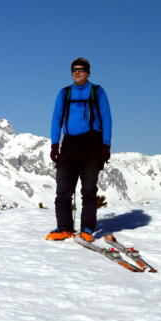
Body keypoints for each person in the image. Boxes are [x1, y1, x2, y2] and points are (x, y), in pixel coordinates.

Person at [46, 57, 112, 242]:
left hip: (92, 143)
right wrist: (54, 144)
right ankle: (64, 228)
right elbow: (56, 119)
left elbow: (107, 118)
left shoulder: (97, 91)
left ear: (88, 73)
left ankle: (87, 228)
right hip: (69, 144)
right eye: (74, 69)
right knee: (63, 189)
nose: (77, 72)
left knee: (89, 188)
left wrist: (106, 145)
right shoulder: (64, 93)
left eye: (81, 69)